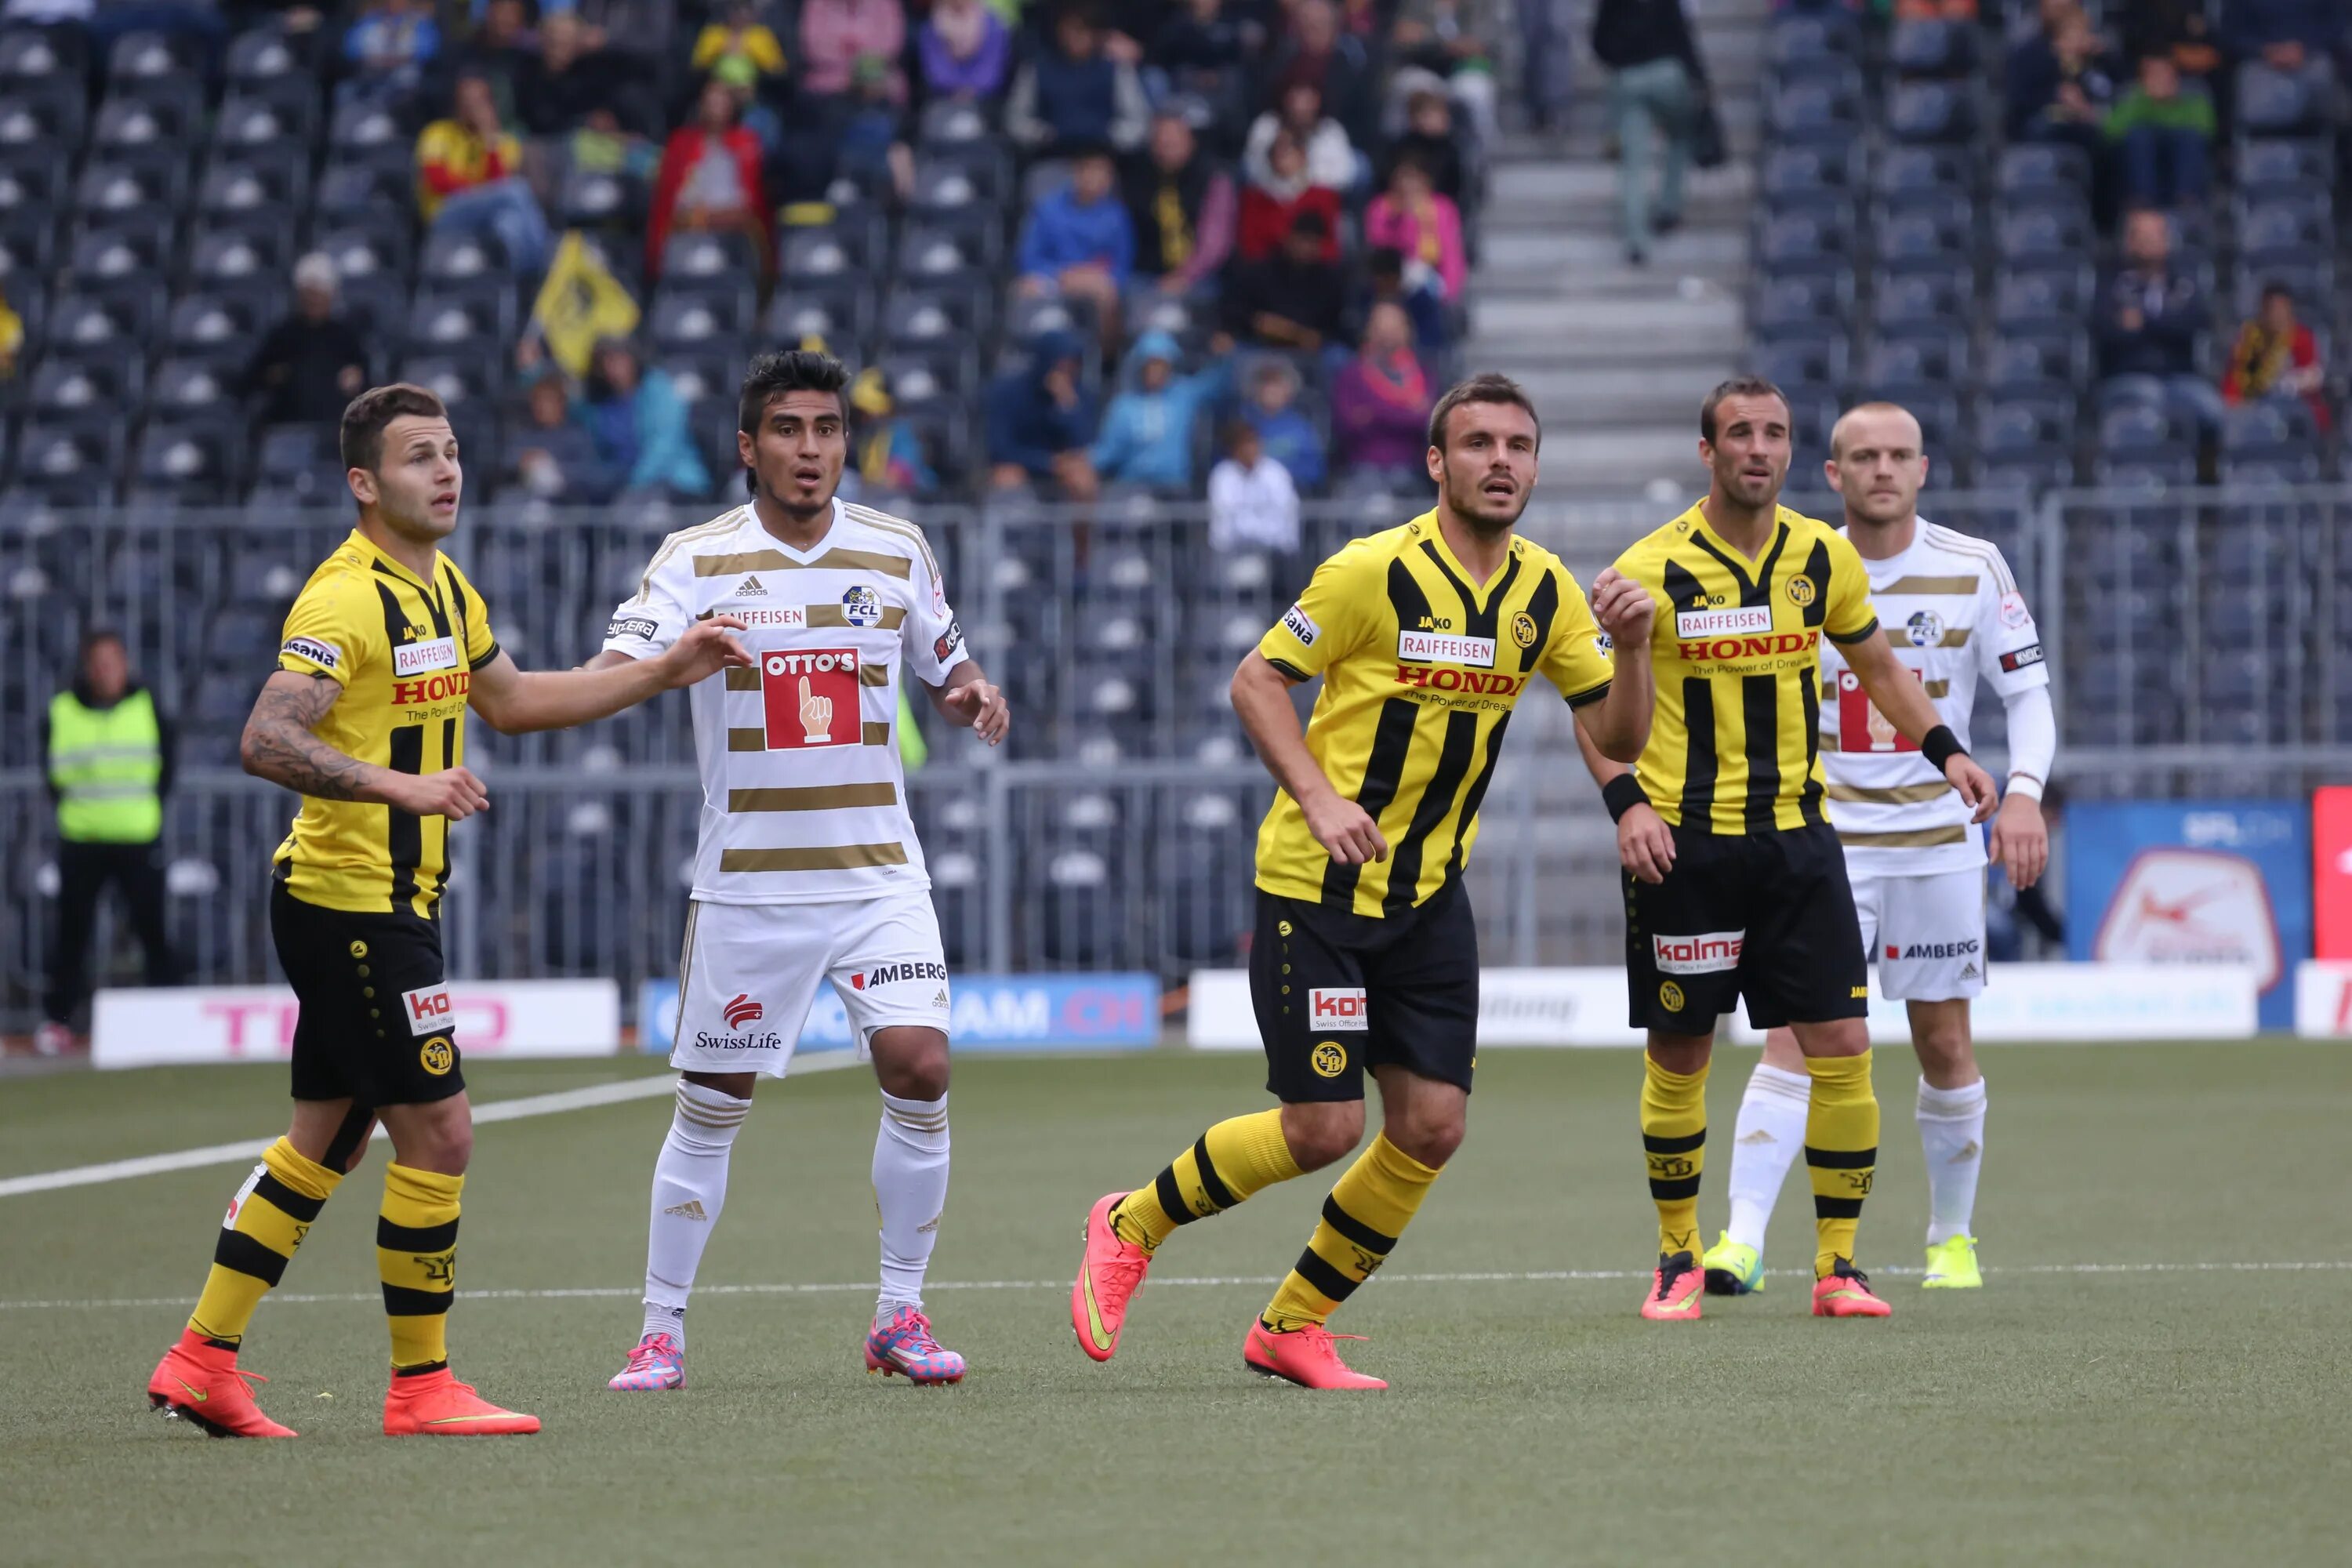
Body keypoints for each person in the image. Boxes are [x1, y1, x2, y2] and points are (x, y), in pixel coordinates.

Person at [143, 383, 750, 1439]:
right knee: (443, 1135)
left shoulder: (444, 591)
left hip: (385, 904)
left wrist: (663, 671)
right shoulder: (342, 600)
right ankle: (421, 1389)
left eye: (454, 451)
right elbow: (266, 739)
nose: (447, 470)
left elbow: (513, 704)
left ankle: (201, 1359)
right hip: (350, 905)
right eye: (420, 455)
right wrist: (402, 786)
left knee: (324, 1146)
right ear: (365, 483)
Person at [1069, 373, 1658, 1388]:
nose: (1501, 461)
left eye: (1519, 445)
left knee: (1432, 1127)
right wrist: (1316, 797)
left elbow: (1615, 731)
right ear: (1437, 463)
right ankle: (1132, 1219)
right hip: (1318, 894)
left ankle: (1292, 1324)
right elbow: (1257, 680)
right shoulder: (1368, 572)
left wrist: (1638, 657)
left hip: (1430, 900)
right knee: (1324, 1128)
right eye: (1477, 443)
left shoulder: (1547, 592)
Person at [593, 350, 1009, 1393]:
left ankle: (900, 1314)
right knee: (713, 1103)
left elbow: (946, 657)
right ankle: (660, 1329)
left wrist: (969, 690)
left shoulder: (894, 550)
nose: (811, 448)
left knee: (921, 1066)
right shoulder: (696, 559)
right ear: (749, 446)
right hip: (749, 886)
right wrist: (650, 665)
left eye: (826, 429)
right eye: (788, 429)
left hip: (878, 879)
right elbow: (615, 668)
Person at [1574, 377, 1997, 1323]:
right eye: (1739, 433)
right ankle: (1678, 1257)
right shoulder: (1650, 566)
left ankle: (1839, 1266)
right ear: (1707, 451)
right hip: (1689, 847)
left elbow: (1881, 665)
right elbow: (1594, 713)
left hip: (1803, 842)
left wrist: (1950, 752)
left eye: (1774, 433)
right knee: (1681, 1057)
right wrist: (1626, 805)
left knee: (1845, 1047)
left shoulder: (1818, 555)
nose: (1758, 448)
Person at [1699, 403, 2055, 1299]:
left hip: (1936, 845)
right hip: (1820, 846)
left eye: (1899, 455)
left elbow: (2029, 698)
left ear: (1924, 469)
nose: (1882, 469)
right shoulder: (1797, 563)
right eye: (1863, 456)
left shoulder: (1973, 566)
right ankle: (1740, 1240)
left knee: (1942, 1039)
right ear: (1833, 473)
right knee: (1792, 1036)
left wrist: (2022, 793)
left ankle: (1951, 1237)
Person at [35, 629, 180, 1057]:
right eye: (99, 663)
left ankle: (171, 1016)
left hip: (138, 837)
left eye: (113, 661)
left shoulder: (148, 705)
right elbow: (53, 775)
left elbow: (167, 768)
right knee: (71, 934)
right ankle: (58, 1023)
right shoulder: (61, 711)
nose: (107, 671)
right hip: (81, 839)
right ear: (87, 668)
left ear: (126, 663)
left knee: (152, 929)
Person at [2098, 207, 2227, 443]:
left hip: (2180, 377)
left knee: (2214, 410)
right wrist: (2167, 321)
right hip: (2128, 376)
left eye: (2155, 235)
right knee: (2152, 400)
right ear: (2128, 241)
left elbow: (2193, 323)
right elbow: (2108, 331)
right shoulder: (2111, 285)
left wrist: (2144, 321)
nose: (2148, 242)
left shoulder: (2183, 283)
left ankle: (2205, 475)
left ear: (2167, 240)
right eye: (2141, 235)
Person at [1591, 0, 1699, 264]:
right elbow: (1682, 35)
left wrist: (1618, 60)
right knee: (1681, 135)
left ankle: (1636, 240)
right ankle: (1668, 208)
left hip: (1628, 78)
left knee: (1634, 163)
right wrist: (1699, 79)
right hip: (1667, 73)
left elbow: (1598, 41)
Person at [415, 71, 553, 274]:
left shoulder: (502, 142)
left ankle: (519, 285)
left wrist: (489, 140)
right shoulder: (438, 132)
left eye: (478, 101)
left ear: (490, 104)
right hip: (444, 213)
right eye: (466, 101)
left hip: (486, 213)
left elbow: (497, 182)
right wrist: (479, 190)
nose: (471, 107)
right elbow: (437, 181)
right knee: (517, 190)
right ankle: (547, 264)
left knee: (509, 224)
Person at [645, 75, 771, 278]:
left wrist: (714, 218)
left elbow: (753, 203)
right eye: (711, 98)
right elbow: (668, 203)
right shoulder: (681, 143)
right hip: (686, 235)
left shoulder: (746, 143)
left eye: (722, 99)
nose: (716, 105)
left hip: (734, 237)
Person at [1088, 329, 1233, 491]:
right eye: (1150, 364)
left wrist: (1223, 357)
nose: (1155, 370)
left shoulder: (1184, 394)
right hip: (1133, 487)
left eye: (1161, 365)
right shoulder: (1124, 405)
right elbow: (1108, 451)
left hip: (1174, 487)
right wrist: (1081, 462)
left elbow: (1216, 384)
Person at [1015, 144, 1134, 339]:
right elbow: (1028, 259)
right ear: (1077, 173)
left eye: (1102, 173)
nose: (1095, 179)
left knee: (1106, 293)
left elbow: (1122, 265)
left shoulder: (1117, 216)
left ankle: (1100, 364)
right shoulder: (1047, 209)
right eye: (1089, 171)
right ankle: (1030, 358)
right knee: (1025, 288)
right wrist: (1061, 275)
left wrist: (1093, 278)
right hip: (1055, 279)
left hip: (1095, 283)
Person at [1123, 104, 1236, 299]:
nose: (1165, 150)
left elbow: (1214, 244)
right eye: (1160, 143)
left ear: (1190, 142)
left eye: (1173, 143)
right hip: (1145, 274)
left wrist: (1183, 277)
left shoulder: (1214, 180)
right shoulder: (1136, 178)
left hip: (1200, 276)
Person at [1004, 5, 1148, 157]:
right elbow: (1016, 120)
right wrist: (1043, 135)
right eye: (1068, 30)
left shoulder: (1115, 69)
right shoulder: (1036, 68)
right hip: (1052, 157)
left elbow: (1138, 121)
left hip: (1105, 160)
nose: (1074, 37)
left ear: (1094, 34)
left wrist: (1109, 138)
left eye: (1081, 30)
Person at [577, 338, 712, 500]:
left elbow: (664, 446)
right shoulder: (597, 404)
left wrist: (634, 484)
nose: (612, 368)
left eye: (619, 360)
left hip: (671, 479)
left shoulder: (659, 390)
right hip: (619, 481)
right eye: (605, 362)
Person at [245, 254, 370, 427]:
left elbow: (367, 382)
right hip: (288, 425)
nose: (313, 300)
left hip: (334, 428)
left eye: (318, 294)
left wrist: (357, 379)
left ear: (330, 296)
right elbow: (251, 380)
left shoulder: (345, 336)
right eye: (308, 294)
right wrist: (271, 376)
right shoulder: (282, 336)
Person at [986, 328, 1101, 497]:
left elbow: (1084, 446)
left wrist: (1068, 408)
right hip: (1025, 465)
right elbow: (1000, 449)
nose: (1067, 370)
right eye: (1061, 364)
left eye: (1073, 364)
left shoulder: (1080, 396)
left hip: (1064, 470)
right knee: (1006, 477)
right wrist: (1047, 462)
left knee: (1083, 477)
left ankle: (1086, 525)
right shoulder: (1008, 393)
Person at [1330, 301, 1433, 484]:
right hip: (1361, 468)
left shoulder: (1424, 373)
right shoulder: (1350, 374)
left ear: (1407, 331)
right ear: (1369, 330)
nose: (1388, 333)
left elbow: (1428, 423)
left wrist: (1373, 413)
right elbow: (1347, 426)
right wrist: (1406, 412)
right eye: (1382, 327)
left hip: (1413, 471)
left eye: (1394, 326)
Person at [1225, 209, 1348, 354]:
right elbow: (1236, 311)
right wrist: (1256, 323)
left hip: (1309, 352)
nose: (1307, 248)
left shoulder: (1329, 281)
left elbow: (1332, 326)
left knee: (1339, 356)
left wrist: (1291, 332)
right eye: (1303, 240)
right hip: (1260, 345)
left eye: (1314, 242)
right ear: (1288, 237)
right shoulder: (1261, 271)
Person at [2106, 53, 2215, 208]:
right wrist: (2145, 99)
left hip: (2180, 152)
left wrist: (2172, 102)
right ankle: (2143, 202)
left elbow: (2206, 129)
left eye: (2165, 73)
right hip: (2137, 156)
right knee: (2139, 137)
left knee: (2191, 138)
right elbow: (2111, 132)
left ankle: (2186, 201)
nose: (2161, 79)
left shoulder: (2194, 94)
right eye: (2154, 74)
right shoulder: (2131, 95)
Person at [2005, 3, 2117, 154]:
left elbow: (2109, 92)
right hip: (2043, 119)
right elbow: (2020, 101)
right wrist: (2059, 97)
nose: (2081, 39)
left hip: (2085, 122)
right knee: (2047, 128)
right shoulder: (2033, 57)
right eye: (2074, 34)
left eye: (2084, 33)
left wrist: (2103, 58)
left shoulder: (2094, 63)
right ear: (2059, 39)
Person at [2223, 281, 2331, 432]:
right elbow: (2236, 380)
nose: (2274, 314)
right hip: (2254, 411)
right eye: (2269, 309)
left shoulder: (2301, 339)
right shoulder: (2249, 341)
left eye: (2279, 308)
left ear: (2289, 309)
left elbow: (2313, 377)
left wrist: (2290, 383)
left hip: (2293, 411)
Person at [1363, 154, 1467, 304]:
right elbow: (1382, 253)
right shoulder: (1380, 209)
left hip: (1432, 280)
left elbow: (1451, 254)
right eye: (1403, 178)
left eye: (1413, 178)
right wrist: (1404, 219)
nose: (1408, 185)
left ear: (1426, 180)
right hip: (1392, 280)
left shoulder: (1444, 209)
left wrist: (1449, 292)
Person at [510, 370, 619, 502]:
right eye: (537, 400)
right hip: (527, 501)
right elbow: (507, 464)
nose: (541, 406)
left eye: (548, 400)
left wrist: (556, 469)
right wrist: (524, 462)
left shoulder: (577, 436)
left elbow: (592, 474)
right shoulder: (525, 437)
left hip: (565, 505)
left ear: (561, 403)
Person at [1237, 126, 1342, 263]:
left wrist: (1305, 249)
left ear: (1302, 155)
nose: (1280, 156)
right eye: (1276, 151)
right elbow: (1249, 246)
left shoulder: (1324, 196)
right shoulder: (1254, 198)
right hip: (1269, 273)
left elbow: (1332, 248)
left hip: (1316, 272)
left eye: (1288, 150)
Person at [1242, 81, 1357, 194]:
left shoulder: (1331, 130)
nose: (1300, 106)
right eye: (1295, 98)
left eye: (1307, 100)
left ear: (1317, 101)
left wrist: (1301, 172)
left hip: (1317, 204)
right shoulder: (1266, 126)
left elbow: (1345, 175)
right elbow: (1251, 170)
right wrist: (1279, 171)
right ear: (1285, 98)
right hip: (1267, 201)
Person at [844, 365, 939, 498]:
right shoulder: (866, 435)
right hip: (876, 499)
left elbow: (897, 476)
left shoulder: (901, 432)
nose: (862, 419)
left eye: (866, 413)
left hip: (912, 501)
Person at [1207, 418, 1300, 553]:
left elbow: (1285, 511)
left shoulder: (1275, 472)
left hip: (1274, 549)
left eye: (1252, 442)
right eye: (1243, 444)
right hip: (1234, 551)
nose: (1249, 449)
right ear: (1234, 448)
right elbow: (1223, 516)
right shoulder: (1222, 475)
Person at [1242, 357, 1327, 492]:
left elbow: (1313, 470)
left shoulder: (1301, 427)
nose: (1271, 390)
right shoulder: (1242, 422)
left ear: (1289, 390)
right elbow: (1227, 468)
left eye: (1277, 384)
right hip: (1246, 495)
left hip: (1290, 494)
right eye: (1266, 383)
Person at [797, 0, 906, 103]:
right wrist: (858, 53)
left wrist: (849, 54)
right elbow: (814, 49)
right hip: (826, 82)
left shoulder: (885, 4)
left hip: (873, 80)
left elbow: (889, 49)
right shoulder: (818, 4)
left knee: (884, 93)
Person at [338, 0, 438, 111]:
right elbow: (351, 49)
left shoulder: (420, 23)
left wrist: (398, 60)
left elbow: (428, 51)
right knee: (344, 91)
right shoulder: (369, 22)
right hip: (370, 78)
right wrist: (377, 60)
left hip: (405, 80)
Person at [1385, 86, 1468, 203]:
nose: (1434, 120)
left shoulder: (1453, 152)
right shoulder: (1401, 149)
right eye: (1428, 115)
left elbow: (1457, 192)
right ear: (1414, 118)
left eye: (1438, 114)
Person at [917, 0, 1011, 100]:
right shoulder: (931, 28)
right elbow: (936, 74)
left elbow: (991, 74)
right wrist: (957, 91)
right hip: (943, 101)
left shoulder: (994, 26)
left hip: (986, 103)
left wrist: (970, 91)